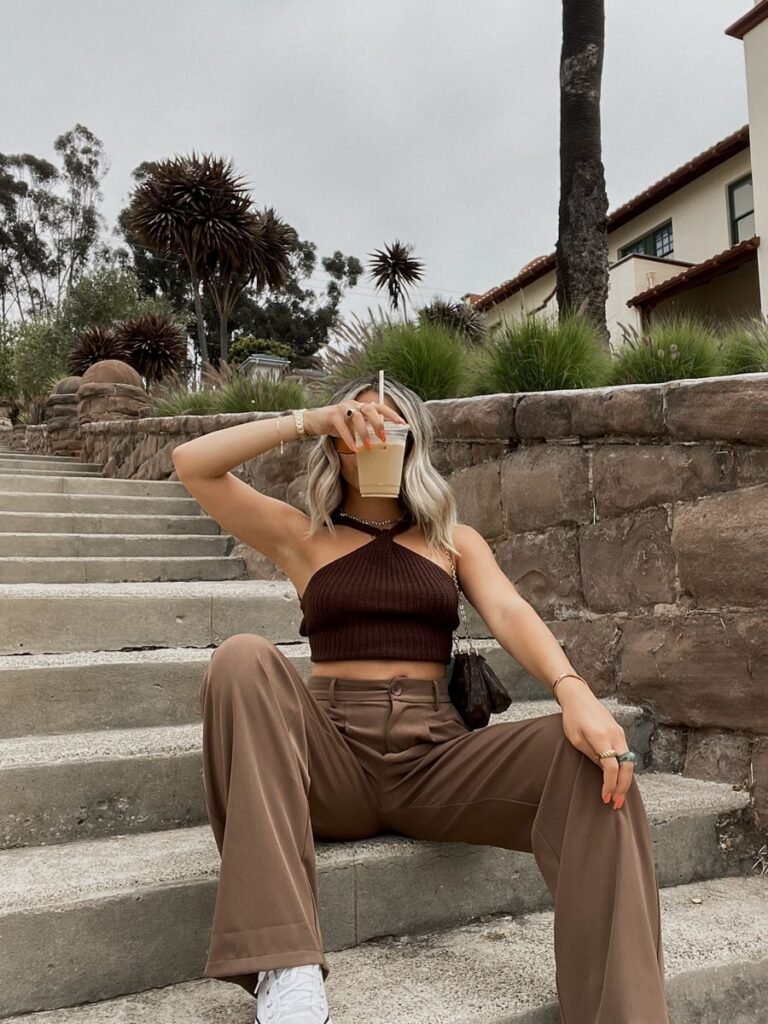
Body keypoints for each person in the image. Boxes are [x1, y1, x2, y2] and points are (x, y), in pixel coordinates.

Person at [172, 375, 672, 1024]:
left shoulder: (452, 542)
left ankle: (624, 1015)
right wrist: (309, 419)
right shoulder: (303, 536)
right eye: (357, 425)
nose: (373, 436)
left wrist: (574, 693)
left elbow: (511, 611)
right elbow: (193, 465)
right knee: (241, 657)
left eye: (391, 426)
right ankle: (286, 967)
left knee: (595, 761)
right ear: (336, 442)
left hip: (435, 760)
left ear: (414, 445)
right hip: (329, 760)